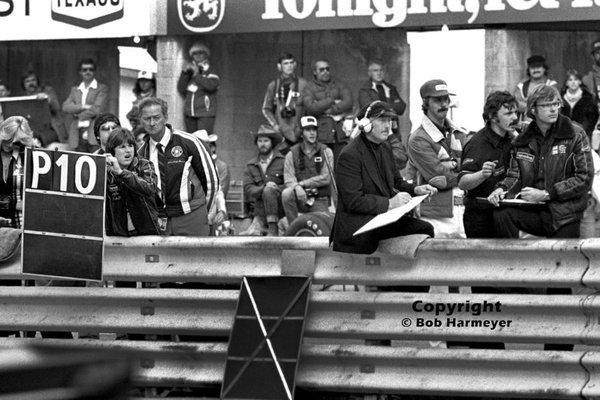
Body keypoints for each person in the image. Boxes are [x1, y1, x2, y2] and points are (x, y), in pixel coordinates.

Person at [330, 101, 437, 254]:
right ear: (365, 124)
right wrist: (389, 203)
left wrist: (416, 189)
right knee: (422, 229)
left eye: (389, 120)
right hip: (360, 227)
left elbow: (397, 181)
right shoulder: (349, 155)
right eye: (382, 120)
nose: (388, 126)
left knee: (425, 228)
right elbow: (353, 201)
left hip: (382, 219)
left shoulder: (385, 147)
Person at [488, 85, 593, 239]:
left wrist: (546, 194)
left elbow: (584, 178)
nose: (553, 109)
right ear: (533, 110)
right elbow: (515, 175)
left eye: (556, 104)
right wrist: (501, 189)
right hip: (533, 208)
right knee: (502, 214)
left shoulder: (575, 134)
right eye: (546, 105)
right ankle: (511, 260)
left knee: (561, 259)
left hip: (566, 213)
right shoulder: (523, 139)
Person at [137, 97, 219, 236]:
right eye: (147, 118)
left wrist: (206, 211)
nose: (152, 123)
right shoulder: (140, 153)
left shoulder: (189, 142)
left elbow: (211, 180)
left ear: (166, 117)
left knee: (195, 258)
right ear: (141, 120)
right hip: (161, 219)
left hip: (192, 215)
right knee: (164, 258)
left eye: (156, 117)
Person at [407, 79, 468, 238]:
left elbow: (471, 165)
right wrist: (467, 175)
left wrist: (453, 166)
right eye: (437, 100)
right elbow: (439, 178)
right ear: (426, 103)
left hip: (462, 209)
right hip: (435, 214)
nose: (444, 104)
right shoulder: (418, 139)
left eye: (446, 99)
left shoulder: (458, 133)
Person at [458, 91, 518, 238]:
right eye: (508, 114)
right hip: (481, 218)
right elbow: (462, 182)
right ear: (492, 117)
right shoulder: (477, 144)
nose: (515, 118)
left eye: (516, 112)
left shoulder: (512, 138)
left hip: (506, 214)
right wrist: (481, 175)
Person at [105, 127, 160, 236]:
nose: (128, 150)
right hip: (118, 235)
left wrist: (121, 173)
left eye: (130, 145)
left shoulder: (144, 164)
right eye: (122, 147)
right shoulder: (106, 171)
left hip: (146, 233)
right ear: (112, 151)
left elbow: (149, 188)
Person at [282, 115, 334, 225]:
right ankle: (293, 228)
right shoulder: (292, 153)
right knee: (287, 193)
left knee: (323, 228)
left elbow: (326, 178)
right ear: (301, 133)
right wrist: (296, 187)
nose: (312, 133)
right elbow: (288, 179)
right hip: (300, 199)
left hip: (319, 198)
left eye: (314, 129)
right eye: (308, 130)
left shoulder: (326, 151)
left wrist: (302, 184)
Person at [358, 59, 408, 171]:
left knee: (398, 161)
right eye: (375, 70)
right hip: (374, 132)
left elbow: (401, 107)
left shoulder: (390, 88)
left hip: (393, 130)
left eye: (381, 70)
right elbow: (369, 109)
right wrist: (390, 106)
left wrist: (382, 107)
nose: (379, 73)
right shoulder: (365, 90)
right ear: (369, 73)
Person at [303, 58, 353, 161]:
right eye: (321, 69)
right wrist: (331, 100)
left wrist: (330, 110)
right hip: (322, 135)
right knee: (323, 168)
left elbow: (349, 102)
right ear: (314, 72)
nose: (325, 72)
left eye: (327, 69)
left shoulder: (339, 84)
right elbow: (311, 108)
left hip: (340, 135)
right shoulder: (309, 87)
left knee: (341, 167)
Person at [243, 125, 286, 236]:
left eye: (266, 140)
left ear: (272, 143)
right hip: (260, 212)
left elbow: (290, 184)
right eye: (260, 141)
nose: (262, 144)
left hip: (281, 211)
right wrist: (264, 187)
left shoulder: (283, 161)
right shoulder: (251, 165)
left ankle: (273, 228)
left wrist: (275, 188)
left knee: (269, 190)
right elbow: (249, 189)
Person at [262, 52, 308, 153]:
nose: (289, 66)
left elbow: (309, 107)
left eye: (291, 63)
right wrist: (274, 125)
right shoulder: (273, 86)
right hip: (281, 133)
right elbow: (266, 109)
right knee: (281, 164)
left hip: (299, 132)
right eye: (286, 63)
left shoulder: (304, 84)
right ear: (279, 66)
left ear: (295, 65)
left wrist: (304, 127)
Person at [62, 58, 109, 152]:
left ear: (94, 71)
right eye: (85, 70)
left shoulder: (102, 88)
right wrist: (83, 106)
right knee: (78, 163)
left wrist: (78, 115)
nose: (88, 72)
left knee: (96, 162)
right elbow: (65, 107)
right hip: (77, 133)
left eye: (90, 69)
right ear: (80, 72)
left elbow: (97, 109)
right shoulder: (75, 90)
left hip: (94, 132)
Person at [177, 42, 220, 135]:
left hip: (205, 113)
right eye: (195, 53)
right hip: (190, 113)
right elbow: (181, 88)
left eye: (201, 53)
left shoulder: (211, 69)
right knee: (192, 141)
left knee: (205, 141)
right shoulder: (190, 69)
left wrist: (196, 75)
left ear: (206, 55)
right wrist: (185, 73)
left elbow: (211, 86)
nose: (198, 56)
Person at [0, 116, 33, 229]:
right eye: (8, 140)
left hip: (20, 225)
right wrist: (13, 205)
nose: (10, 145)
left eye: (16, 143)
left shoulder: (28, 157)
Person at [193, 129, 228, 235]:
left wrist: (221, 209)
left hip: (209, 216)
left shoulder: (213, 166)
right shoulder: (187, 165)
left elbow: (218, 191)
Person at [21, 71, 67, 143]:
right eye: (27, 81)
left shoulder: (47, 91)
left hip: (51, 130)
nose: (31, 83)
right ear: (23, 85)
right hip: (33, 132)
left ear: (37, 81)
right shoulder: (22, 98)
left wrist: (47, 98)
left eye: (33, 80)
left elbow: (56, 107)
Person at [514, 55, 557, 125]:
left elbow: (553, 103)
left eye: (538, 67)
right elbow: (516, 104)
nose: (536, 70)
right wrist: (540, 104)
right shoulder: (521, 86)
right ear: (529, 70)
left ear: (544, 69)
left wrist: (528, 103)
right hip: (526, 125)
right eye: (533, 68)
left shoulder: (551, 85)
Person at [560, 69, 599, 139]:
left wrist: (582, 130)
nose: (573, 82)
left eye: (576, 79)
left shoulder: (588, 99)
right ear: (566, 83)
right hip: (564, 137)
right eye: (570, 80)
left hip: (583, 136)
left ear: (580, 82)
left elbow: (593, 118)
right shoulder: (560, 100)